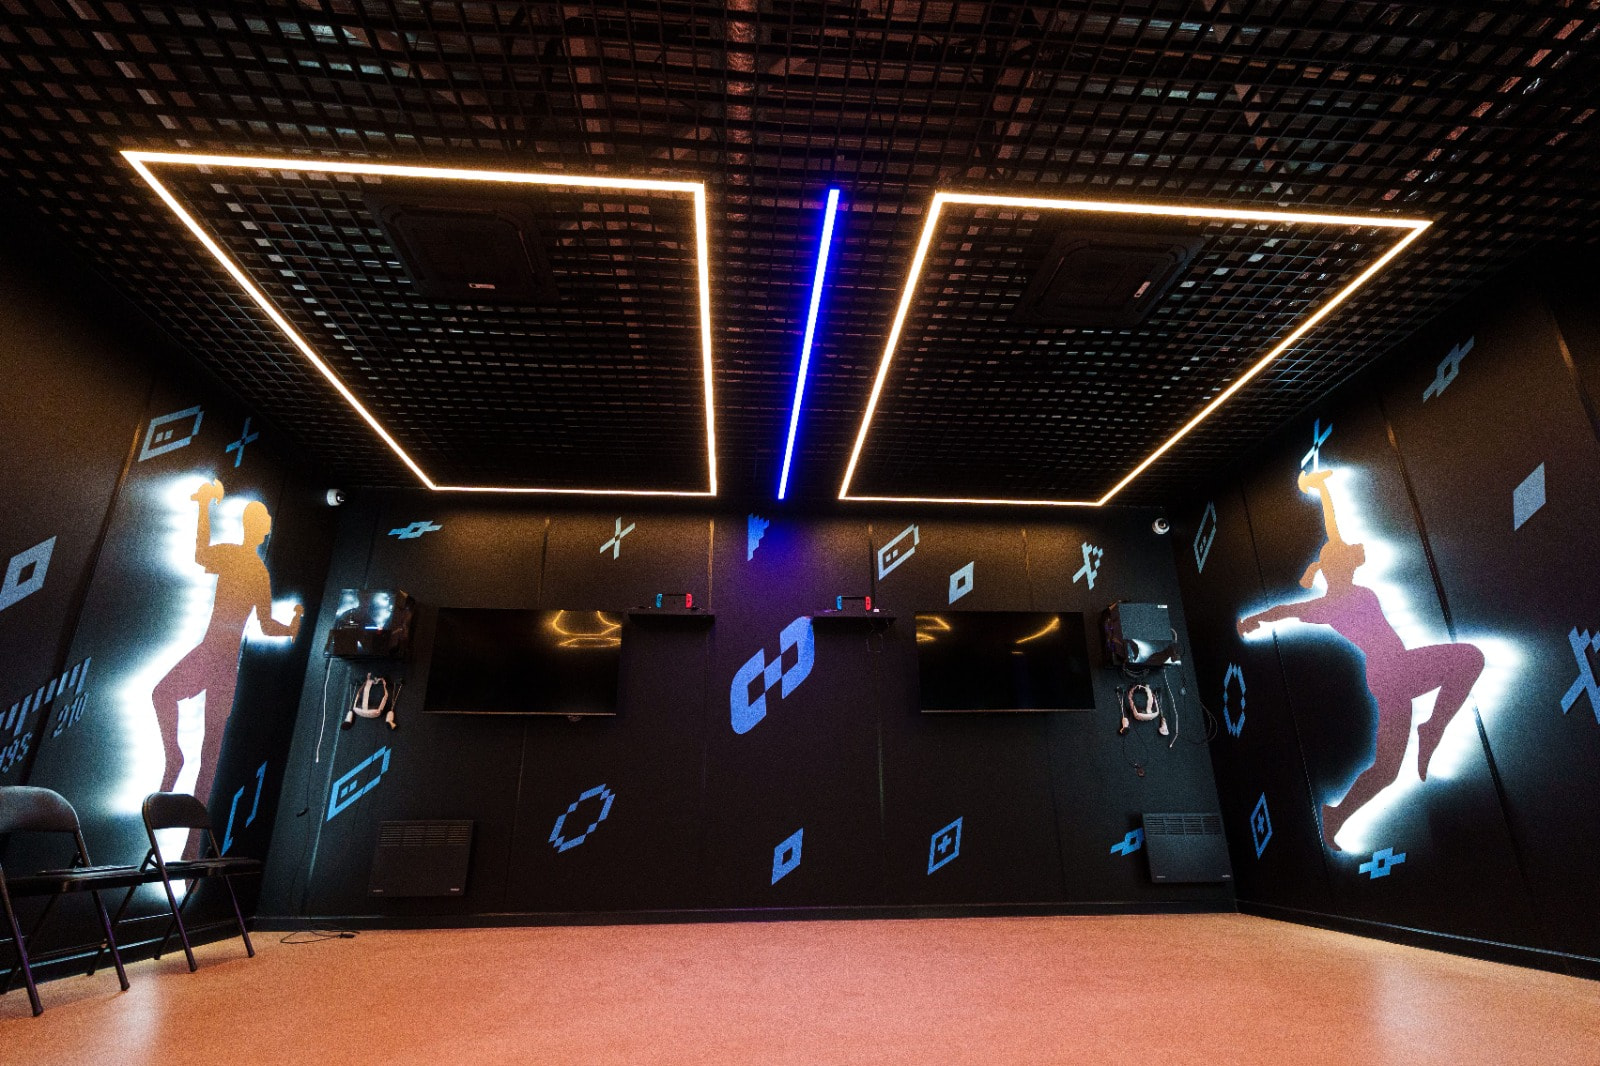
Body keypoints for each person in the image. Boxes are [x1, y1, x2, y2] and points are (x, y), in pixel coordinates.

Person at [1237, 468, 1483, 850]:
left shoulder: (1333, 594)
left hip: (1389, 675)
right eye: (1349, 556)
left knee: (1387, 769)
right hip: (1395, 669)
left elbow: (1332, 527)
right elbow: (1286, 609)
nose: (1356, 554)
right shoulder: (1331, 602)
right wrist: (1253, 619)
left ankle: (1335, 815)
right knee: (1469, 658)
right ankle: (1432, 728)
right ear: (1340, 565)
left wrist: (1323, 490)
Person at [152, 478, 301, 854]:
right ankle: (175, 762)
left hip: (218, 659)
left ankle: (191, 842)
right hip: (216, 657)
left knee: (208, 752)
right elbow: (266, 624)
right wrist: (291, 626)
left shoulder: (251, 567)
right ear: (259, 529)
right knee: (179, 716)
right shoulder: (249, 565)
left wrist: (205, 506)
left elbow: (203, 555)